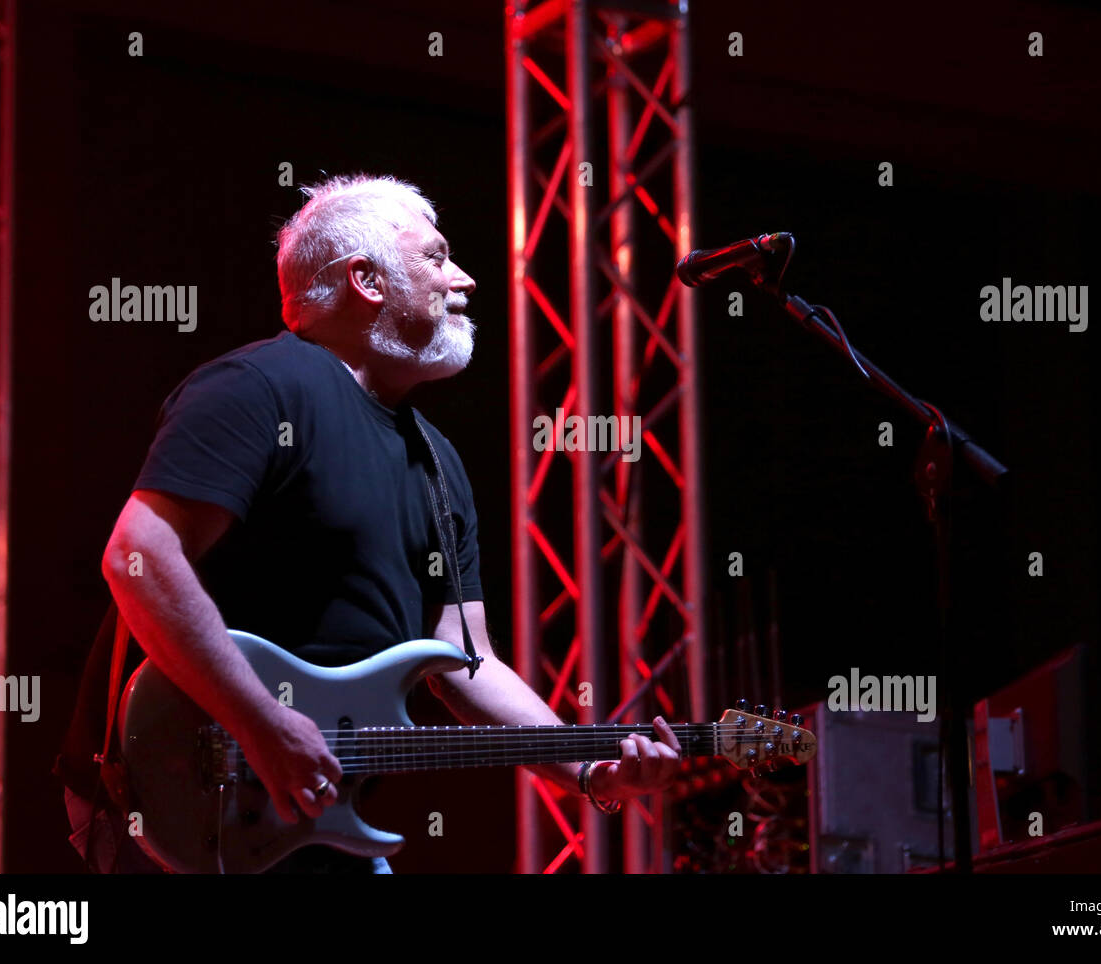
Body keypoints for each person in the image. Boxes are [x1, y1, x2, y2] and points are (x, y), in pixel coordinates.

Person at [58, 174, 681, 873]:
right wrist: (261, 722)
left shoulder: (437, 462)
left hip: (306, 816)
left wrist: (592, 773)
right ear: (367, 280)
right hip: (184, 800)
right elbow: (138, 555)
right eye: (438, 257)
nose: (465, 281)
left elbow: (462, 659)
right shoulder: (258, 388)